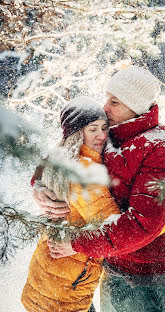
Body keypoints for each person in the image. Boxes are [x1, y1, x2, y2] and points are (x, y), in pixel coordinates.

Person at [31, 66, 165, 312]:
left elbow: (142, 225)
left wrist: (78, 244)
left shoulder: (158, 147)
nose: (106, 107)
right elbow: (65, 152)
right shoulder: (108, 132)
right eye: (106, 98)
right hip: (107, 264)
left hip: (142, 275)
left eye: (114, 102)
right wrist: (38, 186)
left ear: (136, 107)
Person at [21, 96, 121, 312]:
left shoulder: (61, 158)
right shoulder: (84, 171)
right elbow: (113, 228)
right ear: (76, 133)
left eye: (104, 127)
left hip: (49, 275)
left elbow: (39, 172)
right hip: (68, 283)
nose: (102, 135)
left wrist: (37, 187)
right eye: (92, 129)